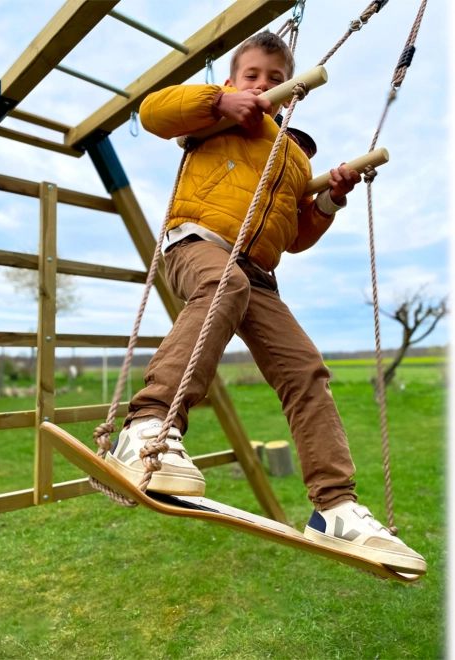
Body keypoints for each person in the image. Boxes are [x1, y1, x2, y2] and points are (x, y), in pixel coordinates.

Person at [106, 31, 425, 574]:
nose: (263, 85)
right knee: (223, 284)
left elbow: (294, 237)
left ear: (292, 90)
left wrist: (329, 199)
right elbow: (154, 112)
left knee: (306, 370)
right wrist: (219, 101)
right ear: (233, 79)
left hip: (257, 274)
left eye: (275, 79)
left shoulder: (294, 159)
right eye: (252, 75)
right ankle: (147, 427)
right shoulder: (216, 117)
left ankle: (335, 506)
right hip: (198, 243)